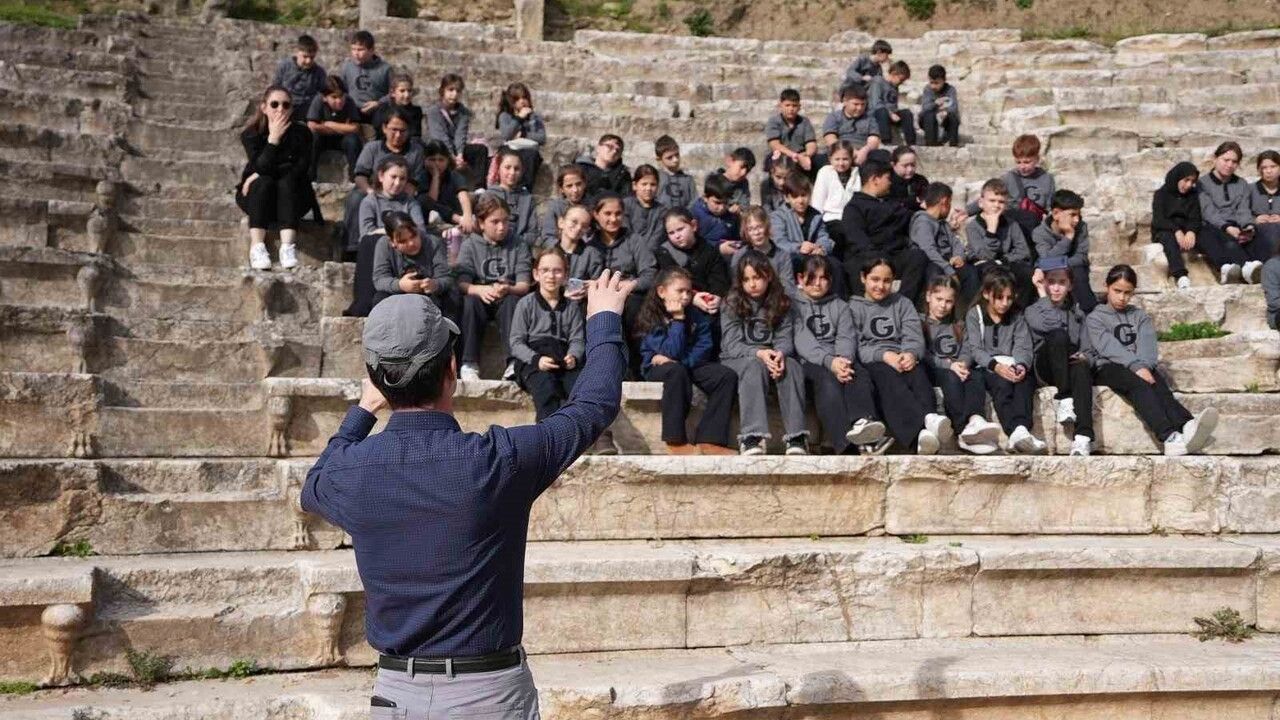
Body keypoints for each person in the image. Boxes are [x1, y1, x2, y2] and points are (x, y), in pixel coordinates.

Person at [301, 269, 631, 720]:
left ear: (376, 378)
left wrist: (363, 410)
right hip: (489, 697)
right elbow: (593, 406)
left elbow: (314, 483)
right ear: (451, 369)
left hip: (396, 696)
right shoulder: (499, 460)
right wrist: (604, 320)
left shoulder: (351, 472)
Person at [1087, 265, 1218, 456]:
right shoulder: (1095, 318)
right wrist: (1136, 367)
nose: (1122, 297)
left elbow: (1148, 346)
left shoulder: (1139, 316)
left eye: (1127, 293)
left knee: (1157, 382)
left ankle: (1187, 425)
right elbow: (1108, 347)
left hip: (1140, 366)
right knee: (1138, 383)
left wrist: (1144, 366)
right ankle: (1169, 437)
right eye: (1117, 291)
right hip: (1107, 367)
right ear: (1107, 287)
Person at [849, 256, 951, 454]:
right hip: (874, 360)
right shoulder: (853, 307)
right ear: (863, 278)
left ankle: (929, 423)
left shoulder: (902, 303)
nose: (881, 286)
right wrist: (884, 355)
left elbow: (914, 336)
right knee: (887, 377)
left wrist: (911, 353)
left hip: (902, 355)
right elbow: (855, 345)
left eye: (887, 281)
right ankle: (921, 429)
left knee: (917, 373)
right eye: (875, 279)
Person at [637, 266, 737, 455]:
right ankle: (675, 441)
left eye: (688, 292)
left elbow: (704, 346)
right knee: (675, 372)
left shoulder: (696, 314)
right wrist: (678, 320)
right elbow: (669, 351)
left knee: (725, 376)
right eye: (680, 291)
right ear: (662, 291)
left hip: (688, 364)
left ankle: (710, 440)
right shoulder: (652, 316)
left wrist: (682, 361)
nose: (685, 296)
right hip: (659, 368)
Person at [793, 256, 887, 454]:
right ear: (800, 279)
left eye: (823, 278)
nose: (818, 283)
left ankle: (864, 425)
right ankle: (845, 446)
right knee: (828, 382)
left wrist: (843, 361)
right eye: (812, 278)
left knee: (859, 374)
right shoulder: (793, 306)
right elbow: (803, 341)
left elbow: (846, 336)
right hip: (810, 361)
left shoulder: (840, 305)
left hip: (839, 359)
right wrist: (830, 362)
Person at [720, 250, 809, 456]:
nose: (752, 284)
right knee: (753, 366)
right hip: (737, 359)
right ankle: (752, 437)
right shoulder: (731, 302)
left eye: (757, 277)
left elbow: (784, 338)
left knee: (792, 366)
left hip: (770, 356)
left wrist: (779, 354)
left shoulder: (782, 302)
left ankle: (796, 437)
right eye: (746, 279)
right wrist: (760, 353)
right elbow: (732, 344)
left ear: (768, 276)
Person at [964, 267, 1047, 454]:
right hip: (988, 366)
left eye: (1009, 298)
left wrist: (1021, 365)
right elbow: (975, 349)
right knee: (1002, 386)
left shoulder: (1017, 315)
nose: (1004, 303)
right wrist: (996, 366)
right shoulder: (975, 314)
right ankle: (1014, 430)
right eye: (999, 297)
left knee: (1025, 383)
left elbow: (1023, 345)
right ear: (987, 294)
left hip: (1012, 362)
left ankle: (1022, 429)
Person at [921, 275, 1002, 454]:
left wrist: (962, 364)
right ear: (928, 296)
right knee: (951, 377)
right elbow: (922, 352)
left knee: (976, 376)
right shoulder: (921, 323)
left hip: (958, 368)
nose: (943, 305)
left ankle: (976, 418)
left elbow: (968, 348)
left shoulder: (958, 325)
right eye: (939, 299)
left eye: (948, 301)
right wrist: (948, 365)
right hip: (935, 370)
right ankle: (962, 429)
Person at [236, 85, 314, 272]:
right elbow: (261, 166)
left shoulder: (302, 133)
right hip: (259, 198)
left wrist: (257, 173)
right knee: (264, 182)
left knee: (286, 181)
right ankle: (257, 246)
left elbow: (300, 169)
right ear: (264, 107)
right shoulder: (251, 134)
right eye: (274, 104)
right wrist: (273, 140)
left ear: (291, 109)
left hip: (294, 197)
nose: (280, 109)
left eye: (286, 105)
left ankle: (287, 247)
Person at [456, 194, 532, 382]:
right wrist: (479, 289)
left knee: (513, 302)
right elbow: (462, 282)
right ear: (481, 223)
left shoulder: (519, 244)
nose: (501, 227)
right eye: (495, 222)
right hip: (480, 296)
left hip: (506, 296)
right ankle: (469, 363)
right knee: (469, 302)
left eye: (505, 221)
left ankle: (513, 362)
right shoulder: (470, 245)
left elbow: (524, 285)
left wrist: (508, 289)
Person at [1026, 256, 1093, 456]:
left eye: (1062, 282)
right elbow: (1053, 327)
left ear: (1070, 285)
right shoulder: (1033, 310)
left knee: (1081, 367)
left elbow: (1088, 345)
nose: (1056, 288)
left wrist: (1085, 356)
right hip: (1046, 366)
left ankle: (1083, 437)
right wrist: (1040, 292)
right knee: (1058, 335)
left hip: (1069, 364)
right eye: (1051, 282)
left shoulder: (1077, 314)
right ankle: (1065, 396)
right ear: (1044, 283)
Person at [347, 156, 430, 317]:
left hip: (404, 250)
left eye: (402, 178)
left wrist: (398, 236)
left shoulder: (410, 203)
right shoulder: (370, 202)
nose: (398, 183)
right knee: (369, 242)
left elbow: (420, 230)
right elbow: (366, 232)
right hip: (379, 251)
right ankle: (364, 301)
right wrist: (396, 233)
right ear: (381, 176)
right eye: (393, 177)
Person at [510, 247, 586, 421]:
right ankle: (548, 435)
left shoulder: (572, 307)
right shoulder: (525, 304)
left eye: (557, 271)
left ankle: (592, 434)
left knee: (581, 391)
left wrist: (573, 356)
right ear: (536, 274)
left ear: (566, 276)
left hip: (563, 358)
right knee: (546, 389)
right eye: (545, 270)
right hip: (533, 360)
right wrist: (536, 359)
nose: (551, 276)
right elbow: (516, 342)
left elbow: (577, 339)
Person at [589, 193, 657, 380]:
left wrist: (629, 285)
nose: (613, 219)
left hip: (629, 295)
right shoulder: (589, 242)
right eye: (607, 213)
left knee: (632, 309)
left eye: (618, 214)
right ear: (596, 215)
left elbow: (650, 274)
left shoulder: (634, 240)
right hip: (597, 295)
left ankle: (633, 368)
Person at [342, 108, 428, 256]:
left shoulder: (416, 151)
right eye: (394, 130)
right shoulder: (372, 148)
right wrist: (371, 191)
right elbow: (360, 175)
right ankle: (352, 248)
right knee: (356, 198)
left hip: (403, 192)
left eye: (402, 131)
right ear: (384, 128)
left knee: (418, 202)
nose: (398, 135)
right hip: (373, 190)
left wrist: (400, 190)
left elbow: (416, 180)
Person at [842, 158, 927, 303]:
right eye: (887, 178)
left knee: (917, 257)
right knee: (856, 264)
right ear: (875, 179)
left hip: (893, 256)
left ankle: (902, 304)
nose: (890, 183)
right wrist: (879, 259)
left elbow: (909, 216)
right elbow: (857, 240)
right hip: (868, 257)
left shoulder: (891, 203)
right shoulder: (854, 208)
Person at [1200, 141, 1269, 284]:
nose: (1229, 165)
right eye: (1226, 160)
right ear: (1215, 158)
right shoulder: (1202, 183)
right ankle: (1247, 267)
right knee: (1229, 243)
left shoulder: (1241, 183)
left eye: (1234, 162)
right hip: (1214, 226)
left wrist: (1248, 226)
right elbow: (1208, 211)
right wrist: (1227, 227)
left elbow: (1243, 210)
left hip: (1237, 225)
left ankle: (1267, 270)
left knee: (1260, 236)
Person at [966, 135, 1056, 241]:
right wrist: (967, 211)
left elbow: (1050, 206)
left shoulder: (1047, 179)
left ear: (1037, 159)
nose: (1022, 166)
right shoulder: (1009, 178)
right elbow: (989, 196)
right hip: (1012, 226)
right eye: (1018, 162)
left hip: (1036, 227)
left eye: (1027, 162)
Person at [964, 178, 1036, 307]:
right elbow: (985, 255)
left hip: (1006, 263)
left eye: (1001, 202)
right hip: (984, 266)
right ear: (981, 203)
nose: (996, 205)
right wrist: (991, 230)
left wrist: (1004, 260)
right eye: (992, 201)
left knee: (1027, 273)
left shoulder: (1012, 224)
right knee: (990, 274)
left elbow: (1023, 251)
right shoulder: (973, 227)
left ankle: (1019, 310)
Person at [365, 211, 452, 316]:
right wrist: (400, 285)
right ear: (392, 242)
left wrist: (435, 284)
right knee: (380, 298)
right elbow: (380, 279)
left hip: (429, 294)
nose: (411, 243)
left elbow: (446, 277)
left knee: (451, 296)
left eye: (414, 236)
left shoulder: (433, 243)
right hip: (398, 294)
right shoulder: (383, 245)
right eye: (403, 241)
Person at [912, 181, 980, 301]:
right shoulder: (923, 222)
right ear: (944, 202)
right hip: (933, 263)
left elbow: (955, 243)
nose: (950, 208)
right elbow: (929, 250)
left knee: (971, 273)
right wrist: (949, 271)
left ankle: (969, 310)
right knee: (936, 273)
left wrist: (959, 257)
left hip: (948, 262)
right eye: (950, 203)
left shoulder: (943, 224)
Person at [1032, 189, 1097, 312]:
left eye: (1078, 215)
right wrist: (1068, 238)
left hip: (1075, 271)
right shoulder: (1039, 233)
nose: (1076, 220)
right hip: (1049, 274)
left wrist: (1059, 263)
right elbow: (1045, 261)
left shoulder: (1081, 227)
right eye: (1072, 215)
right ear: (1056, 214)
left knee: (1078, 271)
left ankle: (1089, 312)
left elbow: (1081, 258)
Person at [654, 207, 730, 309]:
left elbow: (719, 279)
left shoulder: (709, 251)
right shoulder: (664, 253)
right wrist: (693, 298)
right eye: (671, 233)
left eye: (680, 229)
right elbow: (671, 284)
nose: (677, 236)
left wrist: (716, 296)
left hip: (709, 300)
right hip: (680, 303)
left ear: (693, 225)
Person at [425, 73, 487, 188]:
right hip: (440, 147)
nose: (454, 94)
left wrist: (460, 155)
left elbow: (460, 134)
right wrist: (452, 156)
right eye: (450, 90)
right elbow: (440, 135)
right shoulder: (434, 111)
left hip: (456, 148)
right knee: (437, 148)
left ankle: (479, 187)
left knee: (480, 150)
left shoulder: (463, 112)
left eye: (457, 91)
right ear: (442, 91)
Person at [1151, 161, 1203, 290]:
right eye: (1186, 180)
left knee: (1206, 233)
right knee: (1168, 239)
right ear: (1177, 177)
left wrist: (1191, 231)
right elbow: (1158, 220)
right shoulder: (1161, 194)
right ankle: (1181, 275)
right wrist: (1176, 230)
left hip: (1186, 229)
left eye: (1192, 181)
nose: (1189, 185)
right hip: (1165, 229)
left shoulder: (1192, 195)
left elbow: (1196, 217)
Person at [810, 140, 860, 262]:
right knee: (840, 234)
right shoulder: (825, 172)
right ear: (830, 159)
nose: (841, 163)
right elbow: (817, 201)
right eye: (837, 159)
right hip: (831, 219)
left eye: (845, 159)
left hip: (852, 218)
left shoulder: (856, 173)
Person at [306, 76, 363, 181]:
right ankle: (310, 177)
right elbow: (312, 125)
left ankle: (355, 178)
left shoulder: (349, 101)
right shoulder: (318, 100)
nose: (339, 100)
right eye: (334, 97)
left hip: (342, 140)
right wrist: (343, 128)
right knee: (313, 138)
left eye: (341, 96)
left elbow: (355, 128)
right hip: (323, 138)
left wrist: (330, 124)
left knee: (353, 141)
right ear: (325, 97)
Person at [495, 82, 545, 191]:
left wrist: (523, 134)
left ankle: (525, 188)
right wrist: (519, 118)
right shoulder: (505, 116)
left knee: (531, 155)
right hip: (510, 148)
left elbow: (541, 138)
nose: (522, 101)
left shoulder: (535, 117)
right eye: (517, 99)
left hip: (528, 149)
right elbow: (507, 135)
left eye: (524, 98)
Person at [418, 139, 475, 235]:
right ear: (425, 160)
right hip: (433, 215)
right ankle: (457, 220)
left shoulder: (453, 175)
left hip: (452, 208)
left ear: (447, 161)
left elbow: (463, 194)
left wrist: (467, 216)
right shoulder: (423, 176)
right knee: (423, 199)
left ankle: (462, 221)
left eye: (441, 160)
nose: (437, 164)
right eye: (432, 160)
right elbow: (432, 201)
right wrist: (435, 177)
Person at [735, 206, 795, 295]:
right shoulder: (740, 256)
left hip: (776, 299)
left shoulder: (782, 256)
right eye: (750, 229)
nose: (756, 233)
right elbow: (737, 286)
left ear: (767, 226)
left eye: (759, 227)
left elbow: (788, 287)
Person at [486, 148, 539, 247]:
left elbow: (532, 233)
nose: (512, 172)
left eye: (516, 169)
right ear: (498, 169)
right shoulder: (489, 195)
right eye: (507, 167)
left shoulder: (527, 198)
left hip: (520, 248)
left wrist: (515, 242)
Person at [338, 30, 391, 123]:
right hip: (352, 111)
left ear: (371, 50)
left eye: (360, 50)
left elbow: (394, 93)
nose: (356, 53)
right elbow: (341, 90)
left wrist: (378, 103)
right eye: (353, 49)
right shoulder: (347, 66)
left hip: (377, 111)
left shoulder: (385, 69)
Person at [551, 204, 604, 297]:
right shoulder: (549, 252)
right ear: (561, 222)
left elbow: (598, 285)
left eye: (584, 226)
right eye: (574, 222)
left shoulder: (592, 254)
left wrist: (588, 289)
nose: (579, 228)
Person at [273, 34, 325, 123]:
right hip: (284, 112)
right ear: (297, 52)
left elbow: (321, 95)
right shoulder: (284, 66)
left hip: (307, 116)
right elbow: (275, 89)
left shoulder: (319, 73)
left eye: (312, 57)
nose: (308, 61)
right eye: (305, 56)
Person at [822, 84, 881, 161]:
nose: (859, 108)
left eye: (863, 104)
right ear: (845, 102)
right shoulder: (834, 117)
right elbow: (830, 139)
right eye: (856, 104)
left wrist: (864, 151)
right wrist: (849, 152)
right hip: (839, 152)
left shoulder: (870, 119)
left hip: (863, 152)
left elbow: (873, 140)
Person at [765, 88, 818, 174]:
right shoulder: (774, 121)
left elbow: (811, 144)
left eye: (794, 105)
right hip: (781, 157)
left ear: (799, 107)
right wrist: (794, 155)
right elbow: (774, 144)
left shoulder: (804, 122)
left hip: (802, 157)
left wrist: (806, 155)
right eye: (787, 105)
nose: (791, 109)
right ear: (780, 105)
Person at [692, 173, 742, 255]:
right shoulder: (695, 215)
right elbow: (693, 243)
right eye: (717, 203)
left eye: (725, 203)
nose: (722, 207)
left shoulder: (731, 216)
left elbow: (737, 238)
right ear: (705, 198)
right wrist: (718, 248)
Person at [540, 165, 589, 247]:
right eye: (569, 186)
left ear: (584, 184)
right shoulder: (555, 207)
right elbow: (548, 236)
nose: (575, 190)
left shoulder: (592, 206)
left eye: (578, 184)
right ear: (561, 189)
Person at [868, 61, 915, 145]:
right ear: (894, 73)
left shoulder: (895, 87)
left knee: (907, 113)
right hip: (878, 113)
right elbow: (875, 103)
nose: (901, 82)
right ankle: (887, 141)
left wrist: (894, 113)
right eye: (901, 80)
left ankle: (911, 142)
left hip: (891, 114)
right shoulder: (878, 81)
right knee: (882, 111)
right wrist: (890, 113)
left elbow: (893, 104)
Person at [623, 164, 667, 249]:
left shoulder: (662, 211)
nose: (648, 188)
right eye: (644, 184)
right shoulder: (625, 205)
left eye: (653, 184)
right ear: (634, 185)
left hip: (651, 252)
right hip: (628, 250)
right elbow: (626, 232)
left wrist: (644, 253)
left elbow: (657, 238)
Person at [578, 134, 631, 202]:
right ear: (598, 148)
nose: (614, 151)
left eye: (618, 150)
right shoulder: (580, 169)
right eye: (610, 146)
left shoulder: (623, 175)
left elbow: (625, 198)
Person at [371, 74, 423, 141]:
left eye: (409, 91)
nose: (407, 95)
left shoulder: (416, 111)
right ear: (393, 93)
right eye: (402, 91)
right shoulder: (382, 110)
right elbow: (380, 133)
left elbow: (415, 134)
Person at [919, 64, 960, 147]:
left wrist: (946, 112)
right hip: (929, 121)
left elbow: (954, 108)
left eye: (937, 83)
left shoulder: (950, 90)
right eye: (931, 83)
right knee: (929, 115)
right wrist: (936, 103)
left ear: (944, 80)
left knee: (953, 117)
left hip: (945, 119)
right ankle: (931, 144)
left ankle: (953, 144)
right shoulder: (927, 89)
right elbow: (925, 108)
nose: (933, 86)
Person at [654, 134, 696, 210]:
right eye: (669, 157)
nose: (675, 160)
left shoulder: (688, 180)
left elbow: (694, 202)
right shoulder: (656, 178)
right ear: (659, 159)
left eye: (677, 155)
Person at [708, 147, 754, 214]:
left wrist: (739, 209)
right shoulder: (714, 179)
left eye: (748, 171)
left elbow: (745, 207)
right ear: (730, 161)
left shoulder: (743, 184)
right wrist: (727, 209)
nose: (744, 173)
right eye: (741, 167)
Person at [1251, 150, 1280, 252]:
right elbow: (1241, 211)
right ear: (1259, 170)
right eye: (1264, 167)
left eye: (1273, 166)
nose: (1269, 171)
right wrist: (1254, 220)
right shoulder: (1250, 189)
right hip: (1258, 233)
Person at [886, 144, 928, 213]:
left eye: (913, 165)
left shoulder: (920, 181)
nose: (910, 169)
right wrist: (912, 201)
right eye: (905, 166)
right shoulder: (887, 182)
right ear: (893, 165)